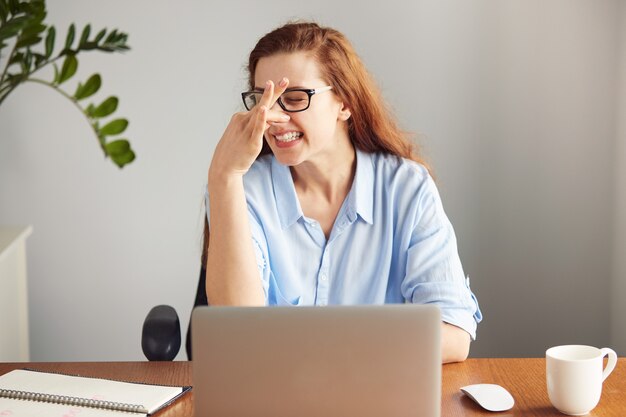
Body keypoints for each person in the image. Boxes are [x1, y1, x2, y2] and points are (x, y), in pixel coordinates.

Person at [203, 21, 482, 363]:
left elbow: (454, 333)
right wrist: (223, 175)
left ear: (345, 103)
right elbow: (238, 331)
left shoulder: (407, 188)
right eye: (262, 100)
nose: (272, 116)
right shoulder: (244, 189)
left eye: (293, 98)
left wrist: (333, 353)